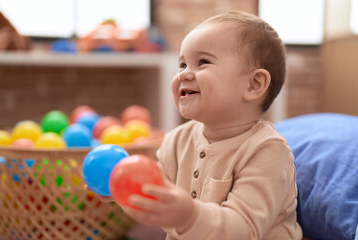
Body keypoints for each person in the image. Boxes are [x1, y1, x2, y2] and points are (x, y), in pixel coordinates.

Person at [115, 10, 302, 239]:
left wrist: (189, 216)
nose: (184, 74)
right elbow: (154, 196)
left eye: (202, 62)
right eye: (182, 64)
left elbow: (244, 229)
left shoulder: (267, 151)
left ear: (254, 84)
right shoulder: (176, 141)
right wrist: (120, 188)